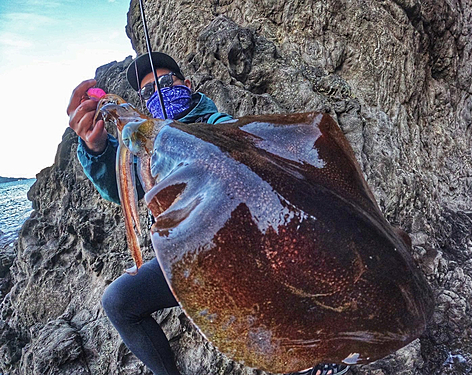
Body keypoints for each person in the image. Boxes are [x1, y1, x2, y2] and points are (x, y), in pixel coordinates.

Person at [67, 52, 349, 375]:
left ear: (187, 85)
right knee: (117, 301)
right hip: (189, 256)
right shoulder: (147, 156)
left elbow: (243, 142)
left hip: (247, 245)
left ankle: (316, 354)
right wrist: (97, 149)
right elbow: (121, 183)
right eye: (148, 93)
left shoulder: (216, 123)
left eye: (165, 82)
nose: (158, 93)